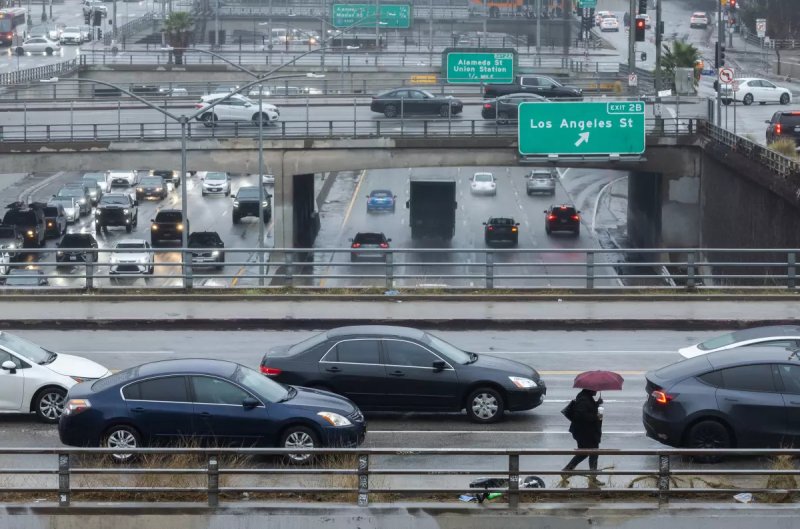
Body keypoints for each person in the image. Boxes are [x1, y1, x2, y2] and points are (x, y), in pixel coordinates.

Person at [562, 388, 604, 487]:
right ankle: (592, 479)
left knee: (585, 453)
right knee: (592, 453)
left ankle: (567, 471)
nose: (596, 391)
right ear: (590, 389)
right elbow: (581, 415)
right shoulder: (583, 399)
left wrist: (597, 403)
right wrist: (596, 417)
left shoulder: (586, 397)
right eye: (595, 389)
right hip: (585, 433)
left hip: (586, 432)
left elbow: (588, 410)